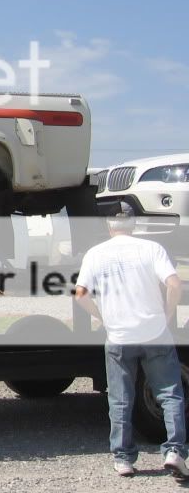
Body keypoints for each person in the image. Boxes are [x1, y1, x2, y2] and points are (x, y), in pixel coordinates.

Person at [75, 201, 187, 478]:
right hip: (154, 332)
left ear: (108, 225)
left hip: (119, 335)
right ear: (133, 223)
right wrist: (167, 313)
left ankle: (123, 458)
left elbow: (80, 293)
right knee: (170, 393)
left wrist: (101, 315)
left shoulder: (96, 254)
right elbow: (174, 284)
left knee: (121, 398)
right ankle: (175, 451)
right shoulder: (151, 249)